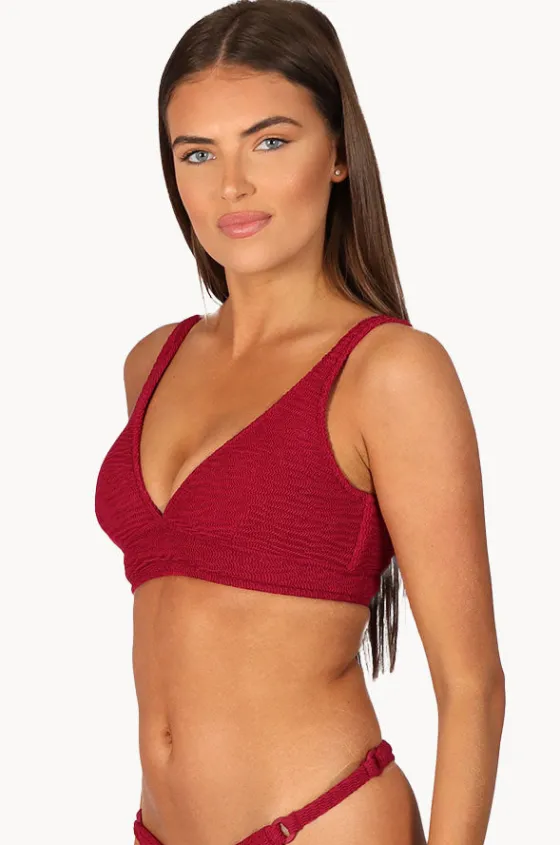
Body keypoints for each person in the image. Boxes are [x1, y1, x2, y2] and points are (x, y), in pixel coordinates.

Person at [95, 1, 505, 843]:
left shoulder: (389, 372)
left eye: (270, 142)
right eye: (197, 153)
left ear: (340, 154)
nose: (231, 186)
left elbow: (472, 686)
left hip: (323, 824)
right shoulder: (151, 363)